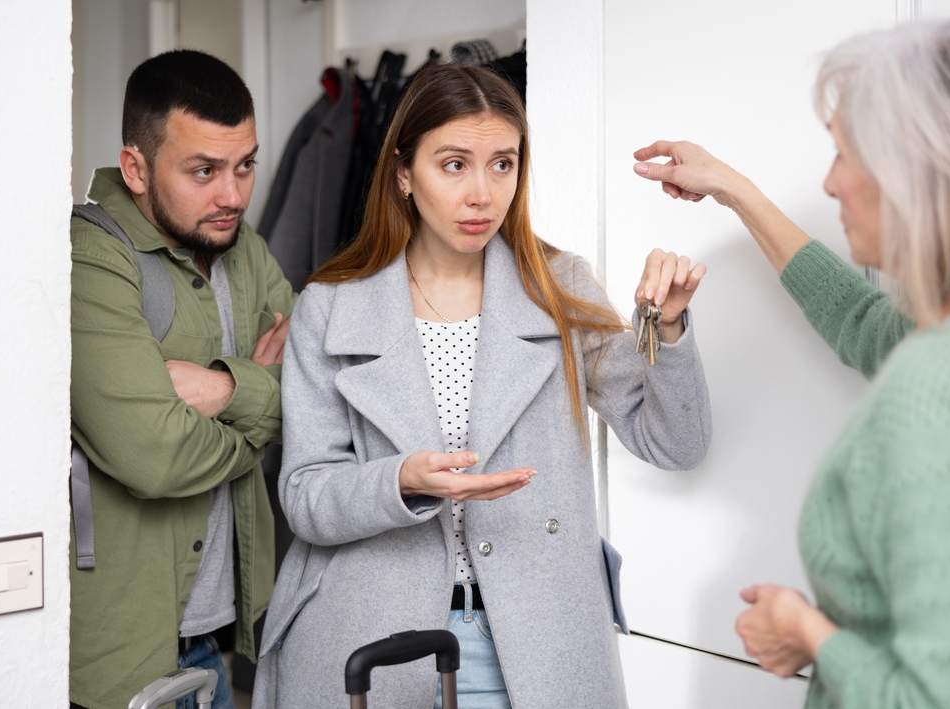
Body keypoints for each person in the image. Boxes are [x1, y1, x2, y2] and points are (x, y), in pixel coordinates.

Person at [252, 63, 712, 709]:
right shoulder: (331, 306)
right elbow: (304, 497)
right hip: (372, 639)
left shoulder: (561, 288)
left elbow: (675, 442)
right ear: (404, 171)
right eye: (454, 164)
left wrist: (665, 330)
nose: (482, 193)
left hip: (535, 639)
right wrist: (402, 479)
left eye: (503, 164)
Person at [633, 20, 950, 707]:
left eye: (843, 156)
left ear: (914, 175)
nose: (828, 185)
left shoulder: (934, 386)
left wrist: (809, 630)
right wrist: (731, 186)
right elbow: (861, 319)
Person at [69, 50, 296, 709]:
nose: (233, 194)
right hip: (123, 655)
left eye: (245, 165)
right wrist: (260, 398)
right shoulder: (91, 258)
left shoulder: (241, 246)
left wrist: (221, 390)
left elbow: (321, 390)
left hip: (221, 639)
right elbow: (154, 454)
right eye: (204, 170)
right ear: (136, 168)